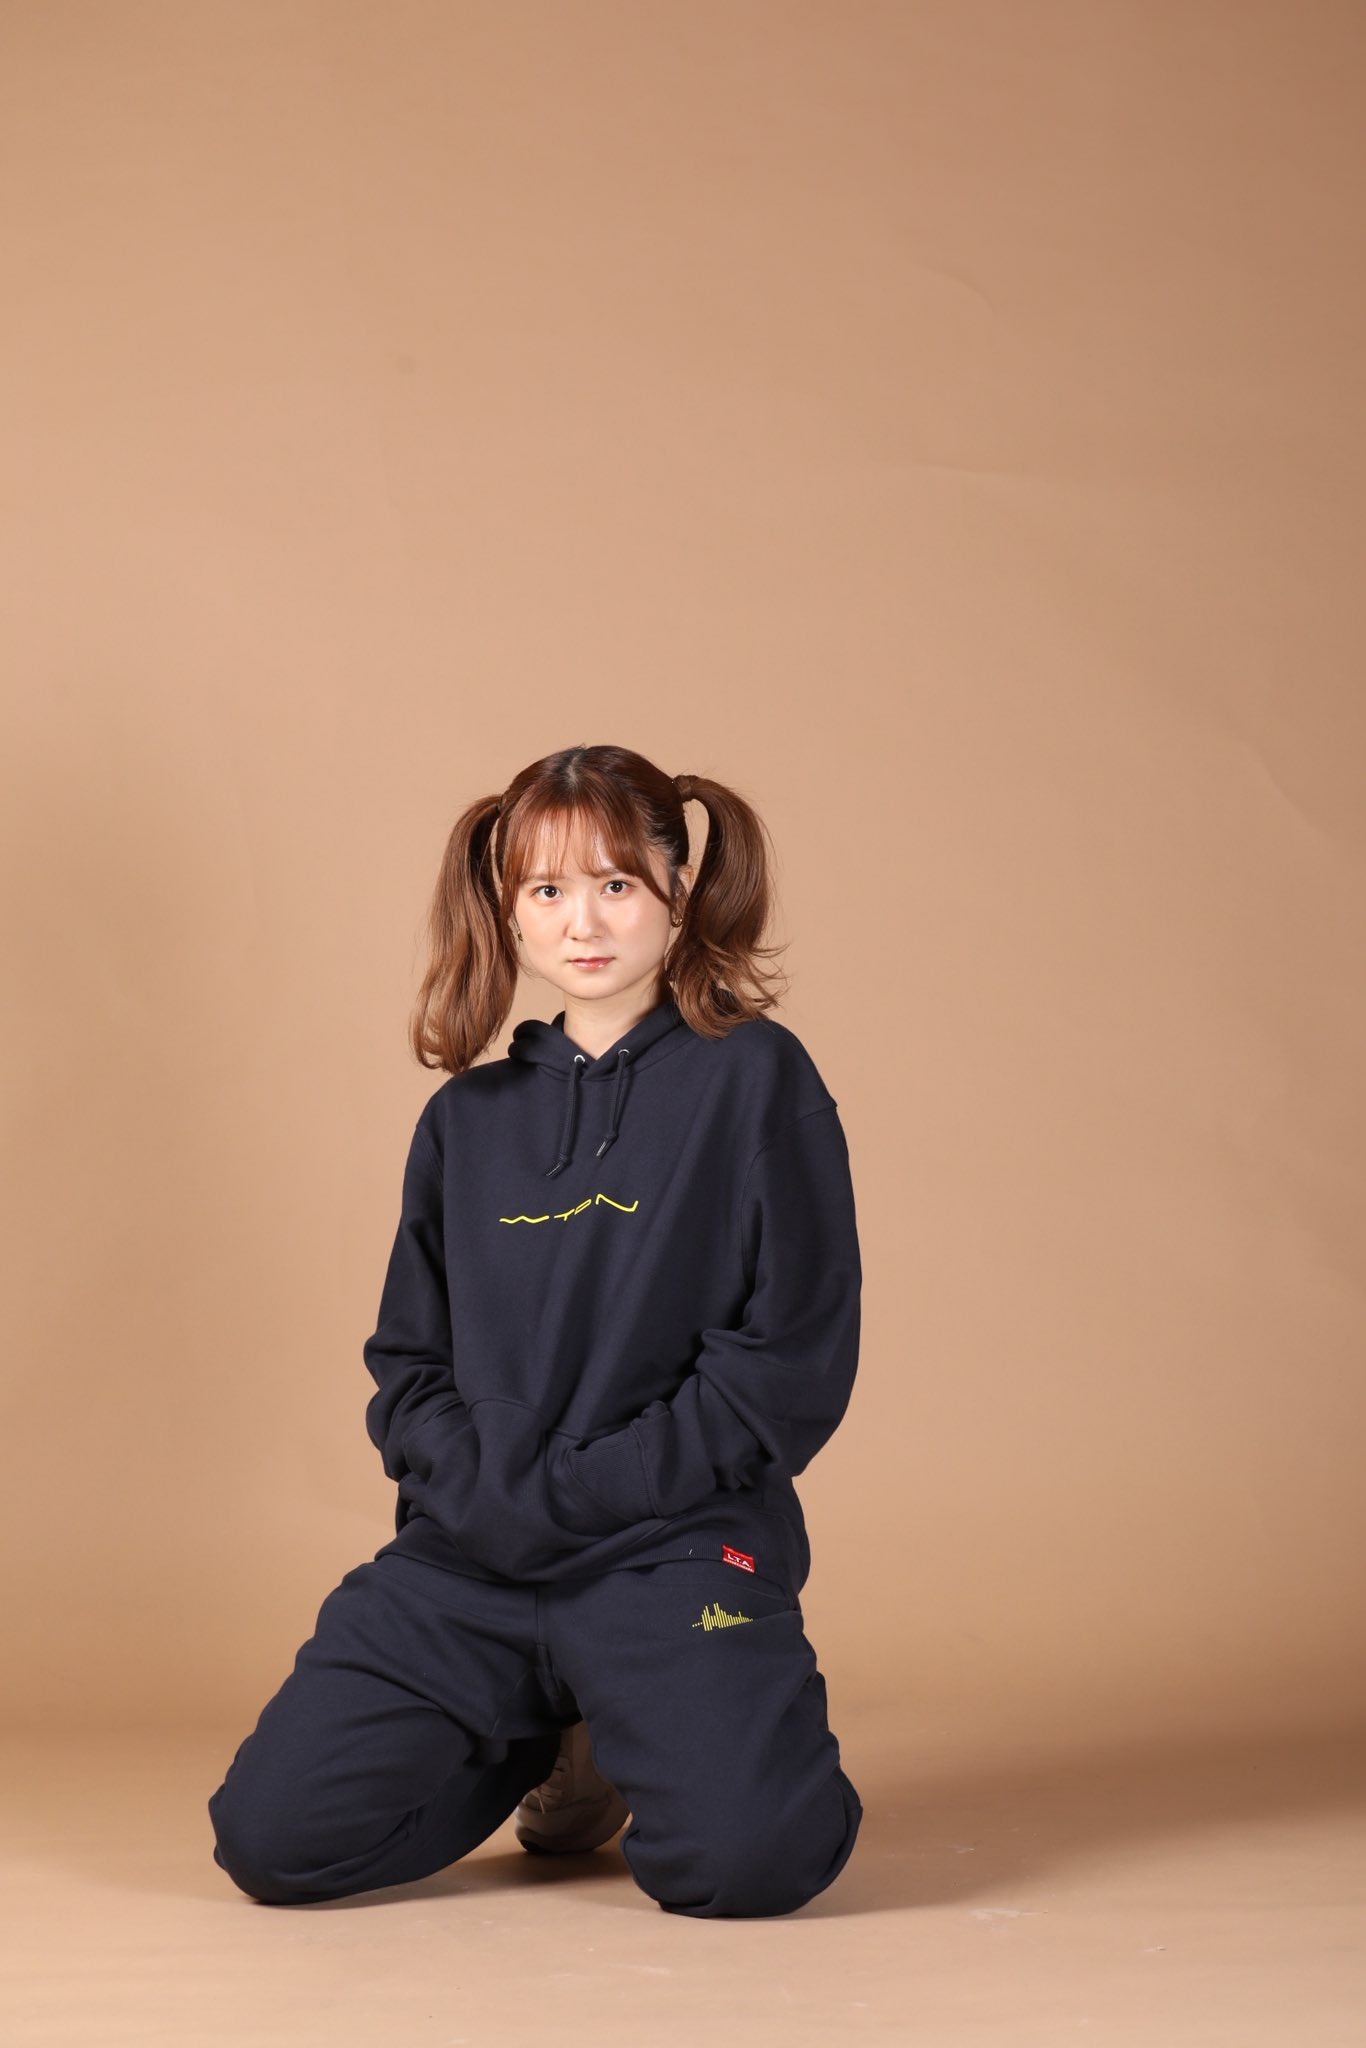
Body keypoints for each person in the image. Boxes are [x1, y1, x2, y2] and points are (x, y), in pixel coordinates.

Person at [207, 742, 864, 1919]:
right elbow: (409, 1366)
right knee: (271, 1840)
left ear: (678, 887)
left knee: (747, 1864)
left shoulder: (756, 1079)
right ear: (506, 909)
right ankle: (551, 1723)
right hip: (475, 1552)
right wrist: (484, 1492)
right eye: (547, 889)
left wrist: (586, 1488)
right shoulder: (465, 1119)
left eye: (616, 882)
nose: (583, 921)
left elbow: (786, 1362)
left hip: (669, 1545)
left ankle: (620, 1705)